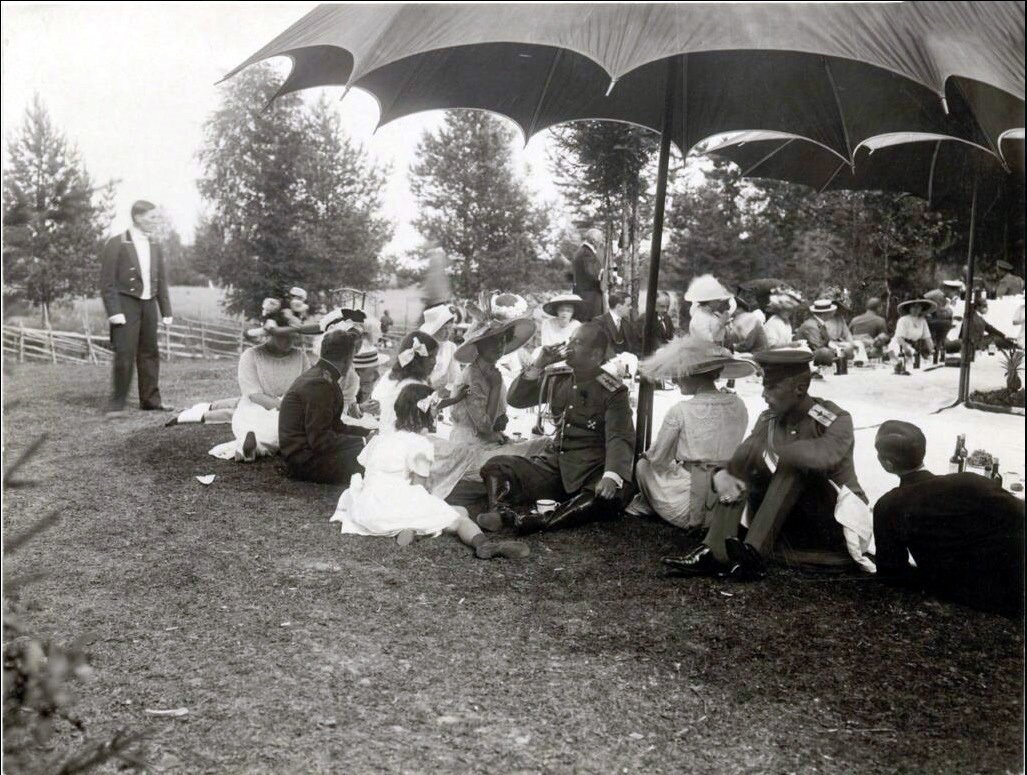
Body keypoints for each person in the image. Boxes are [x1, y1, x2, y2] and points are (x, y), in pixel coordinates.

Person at [664, 349, 865, 580]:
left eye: (771, 387)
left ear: (800, 388)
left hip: (830, 528)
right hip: (788, 526)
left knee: (793, 464)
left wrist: (772, 454)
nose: (763, 395)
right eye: (763, 386)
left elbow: (823, 456)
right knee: (743, 468)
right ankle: (714, 550)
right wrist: (724, 474)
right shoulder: (768, 419)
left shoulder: (834, 419)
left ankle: (754, 554)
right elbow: (743, 455)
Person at [330, 383, 530, 559]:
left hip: (366, 506)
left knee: (445, 510)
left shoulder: (381, 438)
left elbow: (368, 469)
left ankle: (411, 528)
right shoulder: (420, 444)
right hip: (393, 503)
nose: (437, 412)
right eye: (435, 408)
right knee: (459, 515)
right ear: (425, 412)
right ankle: (483, 545)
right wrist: (433, 503)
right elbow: (419, 488)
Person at [476, 322, 635, 534]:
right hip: (552, 469)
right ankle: (500, 511)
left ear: (596, 355)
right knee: (497, 465)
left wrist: (611, 475)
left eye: (577, 343)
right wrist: (539, 364)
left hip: (588, 473)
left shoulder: (613, 390)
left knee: (609, 495)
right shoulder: (558, 377)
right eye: (570, 340)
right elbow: (516, 399)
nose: (569, 346)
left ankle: (543, 521)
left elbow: (619, 436)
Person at [872, 420, 1024, 616]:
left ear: (888, 464)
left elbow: (891, 573)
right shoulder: (971, 481)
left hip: (983, 595)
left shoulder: (889, 505)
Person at [626, 337, 754, 530]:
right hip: (727, 490)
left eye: (679, 374)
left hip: (686, 501)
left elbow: (658, 457)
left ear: (693, 375)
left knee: (644, 465)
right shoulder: (738, 403)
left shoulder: (681, 410)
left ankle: (648, 503)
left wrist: (649, 457)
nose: (675, 380)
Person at [99, 200, 174, 416]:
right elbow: (107, 282)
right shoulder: (117, 242)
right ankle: (117, 404)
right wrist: (114, 311)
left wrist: (166, 310)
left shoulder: (154, 245)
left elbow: (160, 280)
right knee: (124, 353)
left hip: (149, 304)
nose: (155, 222)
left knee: (150, 352)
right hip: (126, 304)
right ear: (138, 217)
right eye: (152, 217)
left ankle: (151, 400)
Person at [207, 314, 310, 462]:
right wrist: (283, 406)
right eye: (282, 336)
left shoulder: (300, 357)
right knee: (263, 426)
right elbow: (254, 395)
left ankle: (251, 448)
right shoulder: (251, 355)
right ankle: (251, 444)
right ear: (270, 335)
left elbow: (306, 387)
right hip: (256, 408)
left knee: (291, 427)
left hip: (292, 407)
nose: (288, 340)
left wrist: (294, 406)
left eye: (291, 336)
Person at [277, 329, 369, 485]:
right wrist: (363, 441)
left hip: (307, 454)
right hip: (305, 463)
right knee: (374, 458)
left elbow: (333, 426)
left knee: (373, 452)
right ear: (347, 358)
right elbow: (320, 440)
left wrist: (366, 433)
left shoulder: (321, 376)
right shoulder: (320, 383)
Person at [370, 331, 468, 434]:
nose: (435, 362)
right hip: (401, 437)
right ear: (417, 360)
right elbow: (433, 405)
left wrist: (454, 399)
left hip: (385, 432)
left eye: (435, 356)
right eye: (430, 357)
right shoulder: (414, 385)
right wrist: (456, 399)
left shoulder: (391, 374)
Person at [797, 299, 866, 366]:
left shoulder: (819, 323)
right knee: (826, 352)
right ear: (825, 313)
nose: (833, 313)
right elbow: (818, 347)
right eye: (831, 311)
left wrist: (839, 349)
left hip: (818, 351)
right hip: (806, 355)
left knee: (846, 349)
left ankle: (847, 364)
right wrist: (838, 351)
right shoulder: (811, 325)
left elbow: (827, 342)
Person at [419, 303, 462, 391]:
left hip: (438, 394)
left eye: (450, 328)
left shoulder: (451, 347)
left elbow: (455, 377)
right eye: (444, 329)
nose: (448, 333)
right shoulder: (421, 346)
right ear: (435, 329)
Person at [684, 275, 734, 345]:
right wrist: (720, 324)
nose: (719, 303)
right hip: (703, 353)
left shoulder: (711, 314)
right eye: (717, 300)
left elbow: (720, 337)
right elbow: (706, 342)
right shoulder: (699, 317)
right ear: (711, 301)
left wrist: (724, 325)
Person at [594, 290, 640, 358]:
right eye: (628, 305)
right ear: (618, 307)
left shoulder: (627, 324)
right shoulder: (599, 322)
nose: (631, 308)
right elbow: (600, 347)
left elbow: (633, 347)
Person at [572, 228, 605, 321]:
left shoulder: (582, 251)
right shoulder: (587, 254)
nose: (601, 242)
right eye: (601, 239)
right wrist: (606, 274)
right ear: (594, 240)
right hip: (590, 298)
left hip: (584, 295)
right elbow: (592, 274)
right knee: (592, 324)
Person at [889, 298, 936, 363]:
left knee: (922, 363)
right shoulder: (903, 320)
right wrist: (908, 351)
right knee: (908, 363)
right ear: (909, 308)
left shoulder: (923, 321)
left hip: (911, 348)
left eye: (918, 307)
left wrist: (933, 352)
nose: (915, 309)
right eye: (913, 307)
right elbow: (899, 338)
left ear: (921, 308)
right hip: (898, 346)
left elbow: (928, 338)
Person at [924, 289, 954, 363]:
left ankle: (937, 353)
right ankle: (939, 352)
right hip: (936, 321)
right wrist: (948, 306)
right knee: (941, 336)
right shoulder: (939, 296)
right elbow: (941, 313)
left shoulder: (938, 295)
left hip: (934, 320)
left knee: (939, 338)